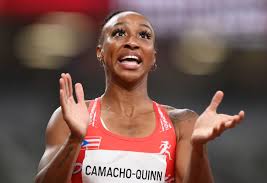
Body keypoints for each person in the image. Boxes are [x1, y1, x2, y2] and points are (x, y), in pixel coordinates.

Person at [35, 11, 245, 183]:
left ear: (153, 57)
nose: (132, 43)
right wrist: (75, 140)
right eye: (119, 33)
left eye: (143, 36)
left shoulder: (181, 123)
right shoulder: (69, 118)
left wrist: (199, 150)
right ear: (100, 52)